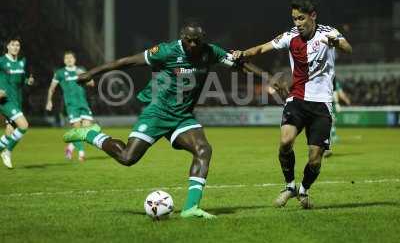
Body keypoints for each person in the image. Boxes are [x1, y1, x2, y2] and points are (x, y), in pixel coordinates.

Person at [63, 20, 265, 219]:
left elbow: (241, 65)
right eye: (189, 41)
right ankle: (90, 134)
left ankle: (190, 208)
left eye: (197, 41)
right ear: (182, 38)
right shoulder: (166, 51)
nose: (193, 45)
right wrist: (91, 73)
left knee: (204, 149)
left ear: (202, 39)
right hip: (158, 113)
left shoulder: (210, 52)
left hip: (182, 117)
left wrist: (271, 79)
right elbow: (127, 61)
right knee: (127, 158)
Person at [233, 0, 352, 208]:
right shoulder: (290, 35)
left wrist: (337, 43)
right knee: (285, 142)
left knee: (315, 158)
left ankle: (304, 190)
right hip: (297, 98)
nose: (297, 23)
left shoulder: (328, 32)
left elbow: (347, 48)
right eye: (294, 18)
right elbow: (261, 48)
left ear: (313, 16)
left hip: (322, 103)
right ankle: (289, 186)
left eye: (301, 18)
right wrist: (244, 53)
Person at [46, 51, 95, 162]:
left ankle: (70, 147)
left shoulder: (81, 70)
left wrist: (84, 76)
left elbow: (92, 83)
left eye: (71, 57)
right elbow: (52, 88)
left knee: (86, 131)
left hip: (83, 103)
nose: (69, 59)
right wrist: (49, 101)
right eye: (66, 58)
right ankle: (81, 154)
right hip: (71, 105)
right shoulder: (60, 73)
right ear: (64, 60)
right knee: (77, 129)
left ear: (74, 59)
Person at [0, 37, 33, 169]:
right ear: (7, 46)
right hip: (5, 101)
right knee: (24, 125)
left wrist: (28, 81)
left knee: (10, 132)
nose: (15, 47)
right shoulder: (2, 61)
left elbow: (22, 79)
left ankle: (4, 149)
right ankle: (7, 152)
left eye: (17, 45)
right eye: (13, 45)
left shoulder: (21, 62)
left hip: (17, 101)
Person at [323, 77, 351, 157]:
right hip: (328, 103)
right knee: (329, 122)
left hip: (329, 103)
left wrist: (337, 103)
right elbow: (339, 93)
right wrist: (339, 102)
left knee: (330, 122)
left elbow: (337, 92)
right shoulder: (330, 80)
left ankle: (327, 146)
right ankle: (327, 145)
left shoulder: (329, 80)